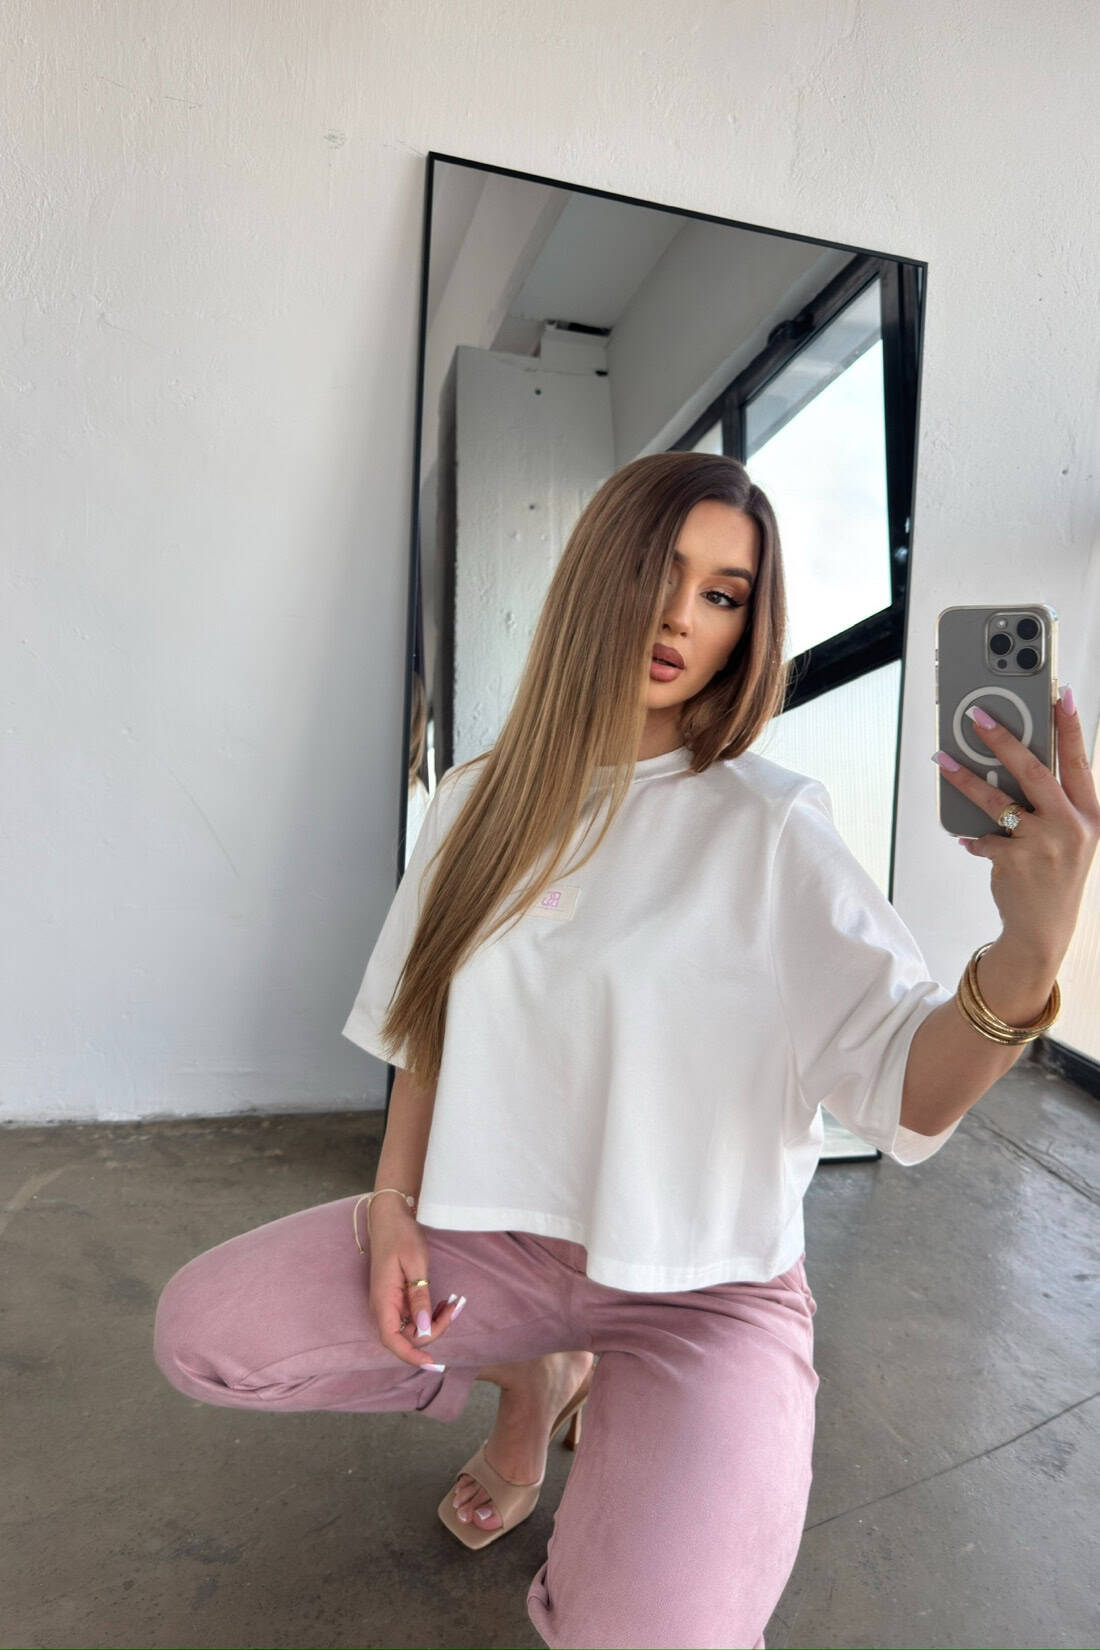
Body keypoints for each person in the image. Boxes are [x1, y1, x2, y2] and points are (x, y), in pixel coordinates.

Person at [154, 451, 1090, 1649]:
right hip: (492, 1242)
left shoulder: (770, 826)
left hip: (705, 1288)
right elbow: (430, 1029)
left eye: (722, 594)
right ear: (597, 573)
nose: (680, 616)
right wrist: (393, 1207)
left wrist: (1028, 950)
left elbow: (907, 1093)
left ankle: (593, 1392)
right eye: (660, 570)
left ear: (746, 627)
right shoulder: (478, 800)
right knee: (205, 1335)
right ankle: (532, 1374)